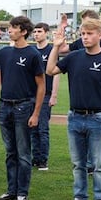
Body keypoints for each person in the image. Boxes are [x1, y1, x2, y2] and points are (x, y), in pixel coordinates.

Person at [47, 17, 101, 200]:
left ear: (100, 35)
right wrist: (55, 47)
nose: (85, 37)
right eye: (83, 34)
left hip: (99, 118)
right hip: (75, 117)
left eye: (89, 34)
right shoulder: (74, 57)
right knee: (78, 164)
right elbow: (50, 70)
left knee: (98, 165)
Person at [0, 13, 44, 200]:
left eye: (14, 27)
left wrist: (36, 113)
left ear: (23, 31)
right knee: (10, 152)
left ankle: (22, 193)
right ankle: (11, 191)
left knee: (23, 153)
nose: (10, 30)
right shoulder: (5, 52)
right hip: (5, 107)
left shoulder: (33, 54)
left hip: (24, 107)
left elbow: (41, 86)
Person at [31, 22, 60, 171]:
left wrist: (54, 95)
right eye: (35, 31)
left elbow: (56, 74)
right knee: (32, 128)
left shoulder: (51, 50)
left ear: (46, 33)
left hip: (46, 94)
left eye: (39, 31)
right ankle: (35, 157)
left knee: (42, 128)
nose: (36, 34)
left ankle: (43, 160)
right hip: (31, 94)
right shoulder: (31, 50)